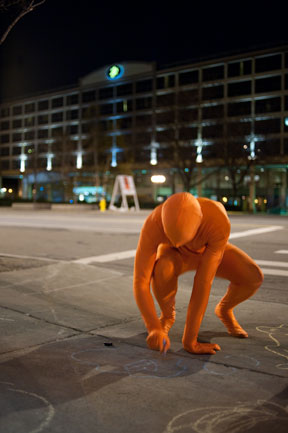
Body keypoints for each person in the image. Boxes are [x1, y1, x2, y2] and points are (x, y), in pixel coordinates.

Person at [133, 192, 264, 355]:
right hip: (174, 255)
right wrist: (153, 328)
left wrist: (190, 341)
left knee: (252, 277)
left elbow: (203, 283)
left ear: (200, 221)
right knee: (162, 269)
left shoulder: (217, 220)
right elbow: (141, 281)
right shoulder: (153, 223)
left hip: (207, 252)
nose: (181, 243)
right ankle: (167, 316)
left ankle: (224, 309)